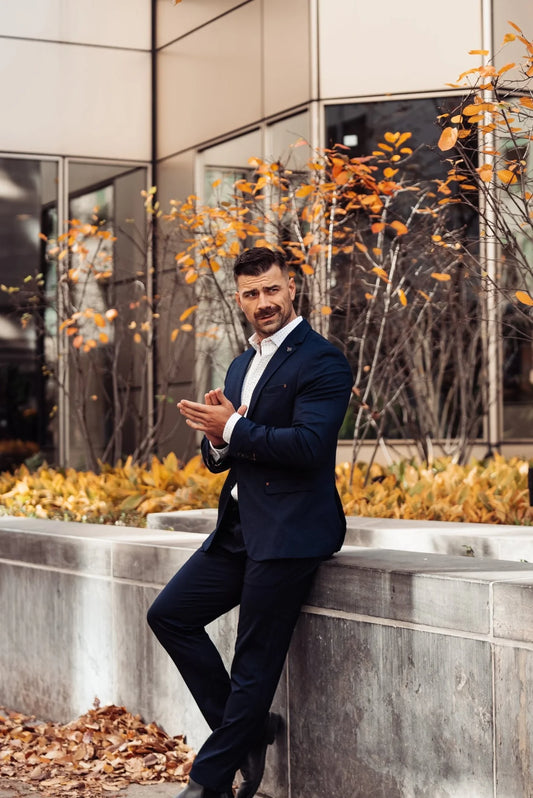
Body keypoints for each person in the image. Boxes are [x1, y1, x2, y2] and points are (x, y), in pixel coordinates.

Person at [147, 247, 353, 798]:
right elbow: (233, 450)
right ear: (238, 299)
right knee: (169, 615)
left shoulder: (322, 360)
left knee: (253, 663)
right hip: (240, 527)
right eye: (251, 293)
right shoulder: (242, 363)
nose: (263, 302)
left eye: (272, 289)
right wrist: (217, 438)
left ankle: (208, 781)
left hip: (291, 531)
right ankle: (250, 731)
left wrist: (232, 426)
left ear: (292, 289)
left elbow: (309, 446)